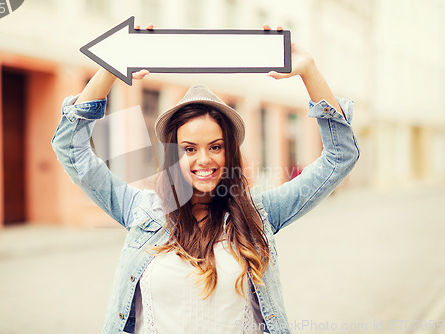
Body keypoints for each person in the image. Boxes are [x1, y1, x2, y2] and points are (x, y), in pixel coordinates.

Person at [51, 24, 360, 334]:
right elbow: (70, 148)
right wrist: (110, 68)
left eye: (216, 146)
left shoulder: (260, 214)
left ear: (230, 153)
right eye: (189, 149)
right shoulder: (140, 210)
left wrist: (308, 71)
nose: (203, 160)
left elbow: (339, 157)